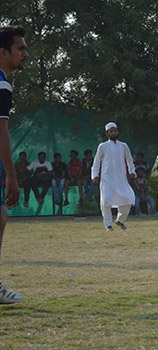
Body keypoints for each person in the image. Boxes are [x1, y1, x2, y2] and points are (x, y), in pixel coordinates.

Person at [0, 24, 28, 304]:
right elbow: (1, 131)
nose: (25, 53)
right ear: (3, 52)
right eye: (20, 48)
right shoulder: (1, 83)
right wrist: (11, 175)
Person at [92, 122, 136, 231]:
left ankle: (120, 220)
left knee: (128, 198)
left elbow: (129, 160)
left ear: (118, 131)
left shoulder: (124, 146)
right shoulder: (102, 146)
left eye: (115, 130)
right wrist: (95, 175)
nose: (113, 133)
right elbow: (96, 162)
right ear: (107, 133)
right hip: (107, 178)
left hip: (121, 178)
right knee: (106, 200)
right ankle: (108, 225)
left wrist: (132, 171)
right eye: (111, 131)